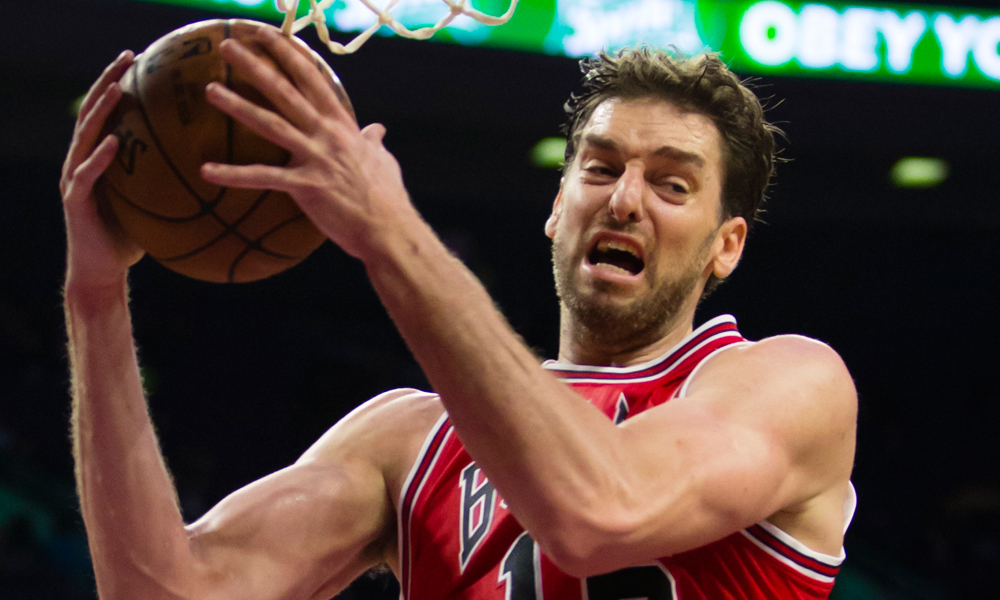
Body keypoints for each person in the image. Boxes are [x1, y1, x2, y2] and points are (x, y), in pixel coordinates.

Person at [61, 26, 857, 600]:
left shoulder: (791, 385)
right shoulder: (408, 439)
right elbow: (162, 590)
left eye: (671, 184)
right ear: (557, 207)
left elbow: (600, 513)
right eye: (600, 168)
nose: (623, 199)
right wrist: (95, 298)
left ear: (726, 247)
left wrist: (389, 231)